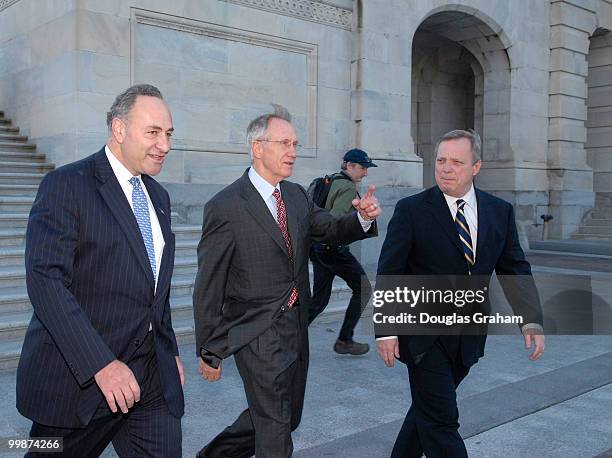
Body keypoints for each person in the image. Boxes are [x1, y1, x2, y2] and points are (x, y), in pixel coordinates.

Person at [193, 105, 381, 458]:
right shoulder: (226, 205)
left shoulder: (295, 195)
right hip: (256, 332)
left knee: (285, 416)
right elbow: (208, 284)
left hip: (296, 325)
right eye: (285, 143)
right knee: (276, 430)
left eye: (295, 143)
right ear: (258, 147)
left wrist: (362, 218)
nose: (293, 151)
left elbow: (331, 229)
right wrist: (210, 347)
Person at [17, 84, 184, 457]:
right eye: (153, 132)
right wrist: (102, 364)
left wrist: (168, 347)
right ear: (119, 129)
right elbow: (45, 281)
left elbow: (156, 284)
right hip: (80, 385)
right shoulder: (66, 185)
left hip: (149, 378)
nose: (165, 146)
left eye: (169, 134)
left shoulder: (158, 197)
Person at [375, 129, 545, 457]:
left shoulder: (499, 211)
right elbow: (389, 271)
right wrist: (386, 328)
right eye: (441, 160)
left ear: (476, 166)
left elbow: (514, 268)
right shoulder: (412, 210)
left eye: (456, 162)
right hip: (422, 335)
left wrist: (531, 319)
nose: (446, 168)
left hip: (468, 337)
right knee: (441, 420)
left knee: (426, 412)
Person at [308, 148, 377, 355]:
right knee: (364, 288)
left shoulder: (331, 180)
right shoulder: (346, 187)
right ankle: (345, 340)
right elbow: (335, 222)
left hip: (318, 248)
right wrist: (360, 218)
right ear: (349, 165)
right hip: (332, 250)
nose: (365, 173)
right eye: (362, 168)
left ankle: (288, 336)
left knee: (319, 300)